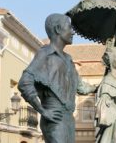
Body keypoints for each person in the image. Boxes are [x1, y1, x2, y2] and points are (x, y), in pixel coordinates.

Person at [18, 14, 97, 143]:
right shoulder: (45, 54)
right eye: (69, 27)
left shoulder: (68, 59)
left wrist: (101, 86)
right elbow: (24, 82)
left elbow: (81, 87)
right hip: (54, 117)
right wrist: (43, 111)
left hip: (68, 119)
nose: (73, 32)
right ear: (58, 29)